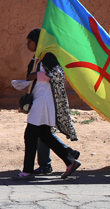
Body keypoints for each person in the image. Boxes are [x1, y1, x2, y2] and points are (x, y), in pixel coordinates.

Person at [13, 29, 81, 180]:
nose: (27, 44)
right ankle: (70, 161)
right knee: (44, 134)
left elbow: (59, 74)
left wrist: (37, 75)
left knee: (30, 134)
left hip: (43, 99)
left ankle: (27, 171)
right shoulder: (38, 57)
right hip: (39, 97)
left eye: (30, 41)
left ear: (38, 42)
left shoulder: (48, 56)